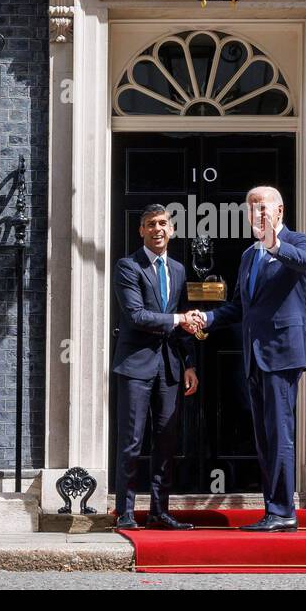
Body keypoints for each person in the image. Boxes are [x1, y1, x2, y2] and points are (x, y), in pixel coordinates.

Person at [181, 186, 306, 532]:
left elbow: (303, 263)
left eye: (263, 207)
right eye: (252, 208)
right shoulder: (247, 256)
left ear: (280, 210)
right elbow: (240, 306)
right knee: (264, 436)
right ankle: (274, 509)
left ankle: (284, 511)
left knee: (279, 432)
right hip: (254, 355)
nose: (257, 213)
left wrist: (274, 243)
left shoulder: (297, 242)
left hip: (282, 353)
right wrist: (207, 318)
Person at [111, 204, 199, 531]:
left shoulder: (177, 269)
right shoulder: (128, 266)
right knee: (132, 441)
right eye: (150, 224)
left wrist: (189, 363)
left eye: (163, 223)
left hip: (170, 367)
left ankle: (159, 512)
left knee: (165, 441)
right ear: (141, 231)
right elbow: (136, 315)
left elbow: (181, 322)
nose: (157, 229)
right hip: (136, 365)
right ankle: (125, 512)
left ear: (171, 229)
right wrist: (178, 318)